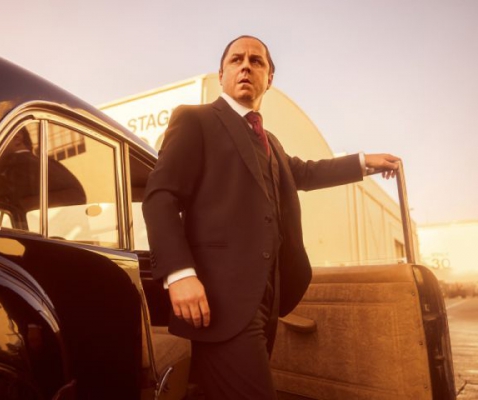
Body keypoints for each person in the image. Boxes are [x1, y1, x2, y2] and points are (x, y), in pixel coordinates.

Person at [142, 35, 400, 399]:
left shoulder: (271, 142)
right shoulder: (195, 120)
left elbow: (305, 172)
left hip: (268, 298)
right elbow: (160, 197)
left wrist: (363, 162)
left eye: (256, 61)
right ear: (222, 75)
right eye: (236, 60)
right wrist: (180, 273)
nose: (246, 66)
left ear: (269, 79)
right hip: (219, 299)